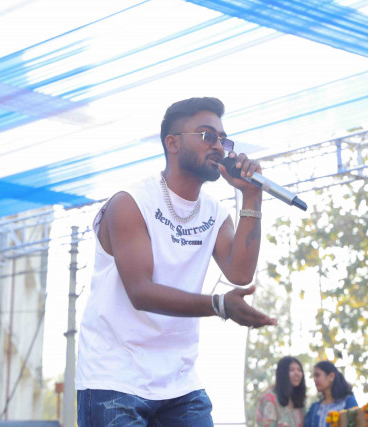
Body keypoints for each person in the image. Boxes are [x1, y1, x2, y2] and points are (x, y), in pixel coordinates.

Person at [75, 97, 277, 426]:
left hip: (180, 382)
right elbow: (141, 292)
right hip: (114, 377)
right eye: (207, 135)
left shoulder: (214, 213)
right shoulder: (131, 202)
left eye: (223, 139)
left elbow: (240, 273)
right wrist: (219, 305)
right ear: (172, 143)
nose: (219, 146)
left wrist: (252, 196)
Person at [304, 361, 359, 427]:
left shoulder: (348, 402)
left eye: (317, 375)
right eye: (314, 376)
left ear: (331, 376)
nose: (314, 379)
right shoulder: (314, 407)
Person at [255, 356, 306, 427]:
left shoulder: (299, 401)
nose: (297, 373)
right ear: (282, 374)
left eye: (299, 370)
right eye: (292, 370)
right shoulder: (270, 398)